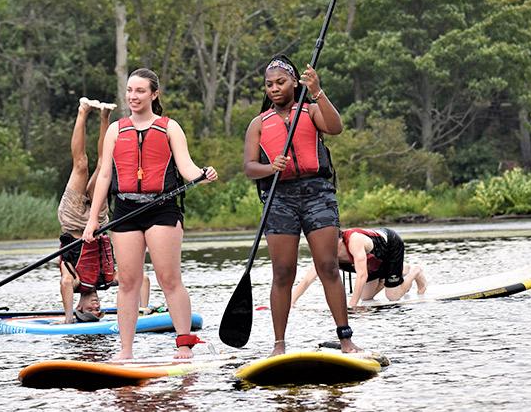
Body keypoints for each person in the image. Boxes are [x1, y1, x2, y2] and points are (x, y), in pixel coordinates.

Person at [82, 68, 217, 360]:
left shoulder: (170, 127)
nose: (133, 96)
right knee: (128, 281)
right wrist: (93, 219)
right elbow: (104, 176)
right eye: (130, 90)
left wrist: (202, 174)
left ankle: (184, 344)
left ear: (154, 94)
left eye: (140, 91)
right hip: (126, 209)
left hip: (162, 208)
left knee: (169, 278)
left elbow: (187, 168)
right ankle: (126, 350)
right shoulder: (117, 129)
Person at [243, 54, 359, 356]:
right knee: (282, 272)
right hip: (279, 199)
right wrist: (271, 168)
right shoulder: (258, 123)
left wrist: (318, 91)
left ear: (294, 82)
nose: (274, 89)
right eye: (269, 85)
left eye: (281, 82)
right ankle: (278, 345)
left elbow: (337, 127)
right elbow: (249, 167)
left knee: (328, 265)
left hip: (317, 193)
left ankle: (345, 339)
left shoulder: (310, 111)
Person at [57, 98, 150, 324]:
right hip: (99, 219)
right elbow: (143, 279)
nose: (96, 306)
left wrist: (68, 319)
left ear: (79, 306)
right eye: (98, 312)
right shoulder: (108, 280)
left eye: (90, 310)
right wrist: (143, 310)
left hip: (72, 219)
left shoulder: (76, 282)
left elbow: (65, 284)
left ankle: (83, 110)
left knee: (80, 166)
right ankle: (105, 117)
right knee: (102, 165)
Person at [291, 228, 428, 308]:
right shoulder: (325, 253)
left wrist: (352, 305)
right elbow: (307, 279)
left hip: (390, 245)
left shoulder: (354, 241)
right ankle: (399, 270)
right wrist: (291, 303)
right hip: (374, 262)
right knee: (366, 297)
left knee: (392, 296)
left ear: (340, 241)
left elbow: (362, 275)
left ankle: (415, 271)